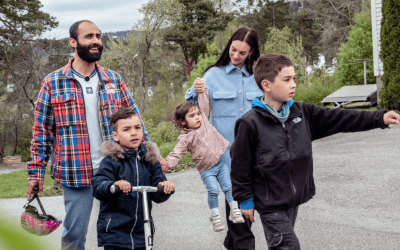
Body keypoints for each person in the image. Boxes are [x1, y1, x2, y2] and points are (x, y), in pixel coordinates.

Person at [230, 53, 400, 249]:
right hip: (269, 202)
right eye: (287, 80)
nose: (293, 84)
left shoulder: (302, 113)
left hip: (291, 199)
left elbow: (341, 118)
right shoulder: (249, 123)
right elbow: (239, 164)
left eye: (294, 78)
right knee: (288, 246)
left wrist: (380, 118)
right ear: (267, 85)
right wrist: (245, 199)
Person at [26, 20, 162, 250]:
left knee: (123, 230)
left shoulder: (114, 80)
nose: (96, 41)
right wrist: (36, 172)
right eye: (88, 36)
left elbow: (136, 121)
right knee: (75, 233)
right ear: (73, 42)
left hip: (117, 168)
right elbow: (42, 131)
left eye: (98, 36)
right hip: (76, 171)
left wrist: (152, 156)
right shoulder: (53, 82)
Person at [186, 27, 263, 249]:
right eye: (233, 50)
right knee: (240, 220)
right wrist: (194, 89)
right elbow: (193, 111)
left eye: (242, 52)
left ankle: (233, 243)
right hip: (227, 161)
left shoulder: (259, 77)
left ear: (251, 53)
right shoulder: (212, 75)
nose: (236, 56)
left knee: (247, 219)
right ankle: (239, 243)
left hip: (258, 157)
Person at [92, 107, 175, 250]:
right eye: (127, 129)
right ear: (115, 135)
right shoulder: (111, 161)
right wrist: (113, 185)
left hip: (143, 229)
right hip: (115, 231)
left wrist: (165, 188)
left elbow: (157, 192)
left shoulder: (150, 160)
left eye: (137, 127)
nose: (133, 132)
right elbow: (98, 186)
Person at [165, 85, 244, 232]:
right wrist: (167, 164)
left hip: (220, 164)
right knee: (213, 190)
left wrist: (201, 90)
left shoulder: (205, 123)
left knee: (228, 187)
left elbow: (203, 103)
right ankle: (215, 216)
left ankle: (234, 211)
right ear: (183, 121)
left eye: (198, 114)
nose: (197, 118)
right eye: (192, 116)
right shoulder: (185, 138)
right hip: (206, 170)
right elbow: (177, 153)